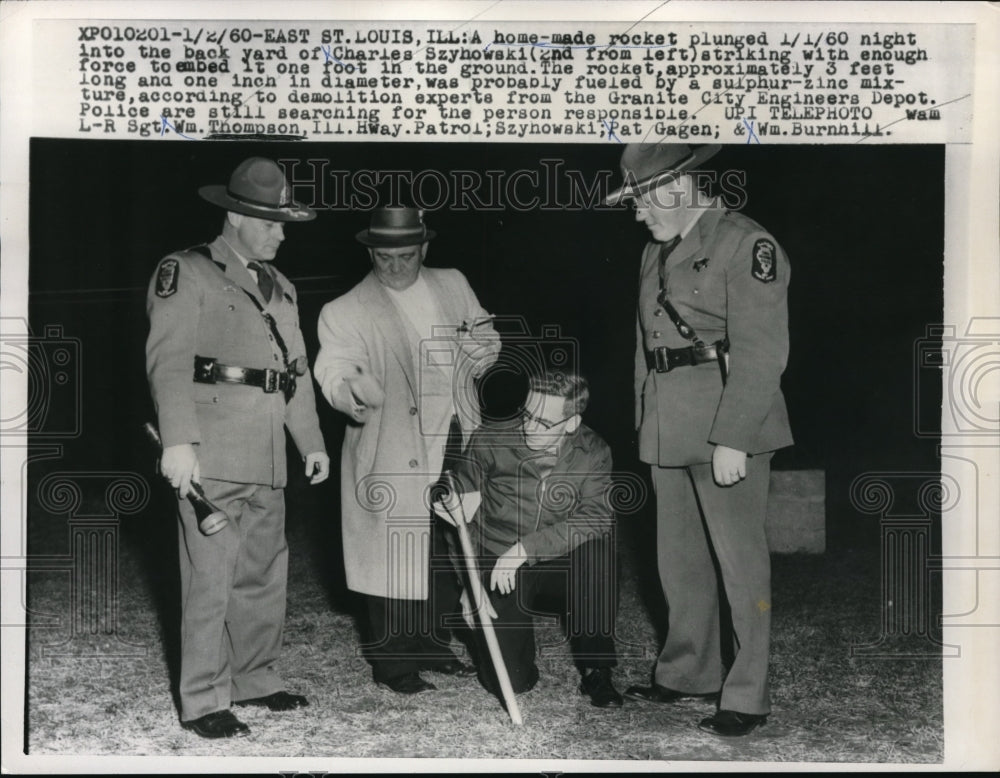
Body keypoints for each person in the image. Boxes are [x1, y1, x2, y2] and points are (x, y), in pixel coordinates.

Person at [605, 143, 793, 736]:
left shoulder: (747, 243)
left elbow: (762, 352)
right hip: (669, 423)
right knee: (679, 562)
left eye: (642, 201)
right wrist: (644, 420)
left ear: (680, 187)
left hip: (727, 421)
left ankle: (746, 694)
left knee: (740, 565)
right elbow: (647, 347)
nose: (638, 215)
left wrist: (735, 438)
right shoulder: (654, 253)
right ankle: (688, 672)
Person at [146, 157, 330, 739]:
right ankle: (203, 699)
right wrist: (178, 443)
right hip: (213, 452)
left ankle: (255, 679)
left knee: (262, 574)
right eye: (270, 222)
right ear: (234, 217)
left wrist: (311, 443)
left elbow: (291, 373)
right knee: (211, 577)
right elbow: (168, 363)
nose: (280, 232)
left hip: (268, 455)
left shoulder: (284, 288)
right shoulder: (188, 271)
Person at [314, 206, 501, 694]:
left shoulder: (452, 282)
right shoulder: (345, 309)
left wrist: (486, 348)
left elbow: (484, 331)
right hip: (393, 440)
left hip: (459, 429)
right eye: (382, 256)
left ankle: (434, 645)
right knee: (395, 547)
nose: (393, 265)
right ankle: (395, 664)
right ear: (369, 251)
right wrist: (349, 392)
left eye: (404, 255)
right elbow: (335, 369)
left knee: (446, 543)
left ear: (424, 249)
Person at [443, 371, 623, 708]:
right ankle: (520, 658)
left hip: (555, 562)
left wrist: (526, 549)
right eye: (526, 414)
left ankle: (597, 669)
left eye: (543, 422)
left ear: (571, 423)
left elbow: (597, 517)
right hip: (497, 562)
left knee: (598, 555)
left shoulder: (594, 450)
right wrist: (468, 584)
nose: (529, 427)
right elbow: (456, 520)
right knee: (509, 682)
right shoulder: (490, 438)